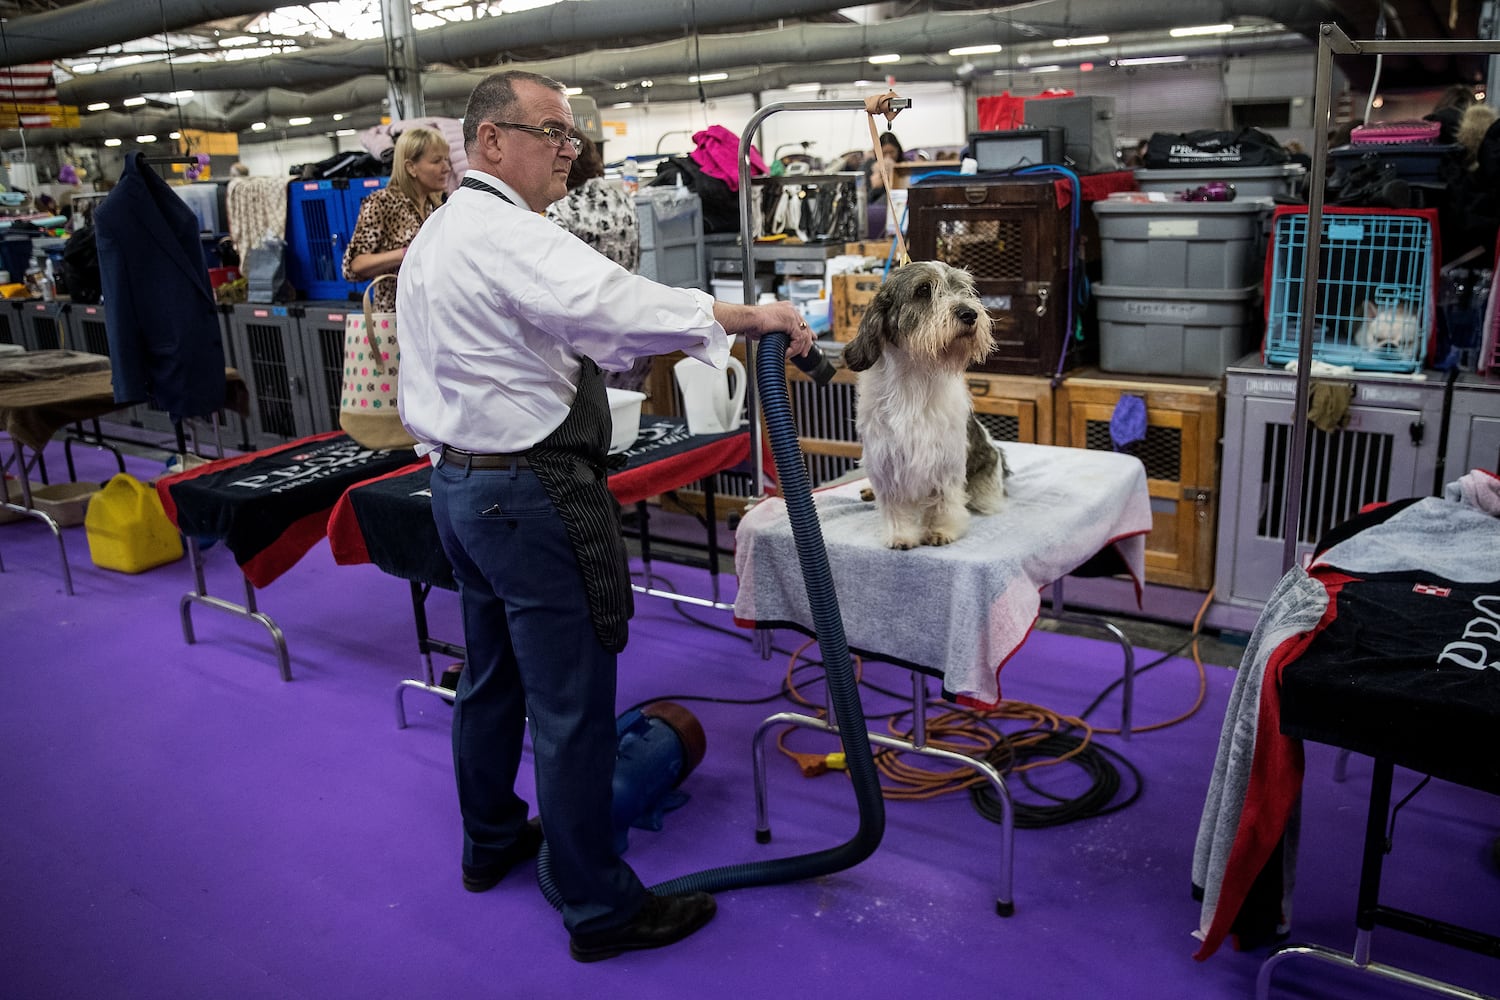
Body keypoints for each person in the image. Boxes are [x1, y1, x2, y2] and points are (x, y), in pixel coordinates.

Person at [396, 69, 813, 963]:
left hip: (461, 487)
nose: (568, 150)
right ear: (490, 141)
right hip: (529, 494)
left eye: (570, 136)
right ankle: (597, 907)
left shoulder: (440, 232)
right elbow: (613, 305)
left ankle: (491, 840)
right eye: (550, 131)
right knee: (571, 705)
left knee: (492, 678)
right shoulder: (506, 229)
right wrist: (749, 315)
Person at [544, 133, 650, 392]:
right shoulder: (625, 200)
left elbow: (553, 282)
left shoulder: (562, 209)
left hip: (591, 341)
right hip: (632, 328)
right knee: (628, 407)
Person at [342, 125, 450, 310]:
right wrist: (407, 253)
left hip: (433, 314)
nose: (446, 168)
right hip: (396, 318)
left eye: (446, 160)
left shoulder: (437, 206)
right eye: (436, 161)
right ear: (411, 167)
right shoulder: (382, 202)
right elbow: (354, 266)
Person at [864, 130, 905, 203]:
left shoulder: (904, 166)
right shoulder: (869, 167)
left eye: (892, 152)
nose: (888, 156)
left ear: (898, 151)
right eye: (884, 153)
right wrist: (875, 188)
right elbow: (865, 200)